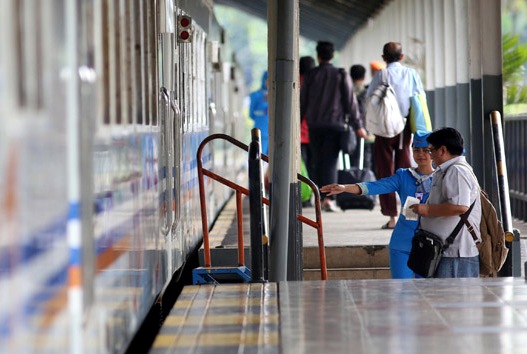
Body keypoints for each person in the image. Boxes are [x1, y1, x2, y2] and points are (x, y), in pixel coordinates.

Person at [320, 131, 434, 279]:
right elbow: (376, 186)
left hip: (430, 245)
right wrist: (345, 188)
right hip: (401, 244)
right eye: (416, 150)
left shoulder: (441, 178)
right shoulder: (404, 175)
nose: (421, 154)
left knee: (428, 293)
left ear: (435, 152)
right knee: (402, 293)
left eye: (426, 150)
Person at [300, 41, 367, 212]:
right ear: (332, 55)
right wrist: (358, 125)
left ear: (318, 55)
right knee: (330, 162)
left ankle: (319, 196)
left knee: (316, 161)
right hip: (335, 125)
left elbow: (302, 102)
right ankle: (328, 199)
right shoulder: (340, 74)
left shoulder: (310, 75)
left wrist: (298, 123)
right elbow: (350, 102)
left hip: (314, 125)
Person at [366, 42, 425, 229]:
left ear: (383, 58)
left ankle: (391, 216)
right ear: (402, 56)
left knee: (385, 170)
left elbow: (369, 99)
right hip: (404, 126)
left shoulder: (381, 74)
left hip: (383, 127)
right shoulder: (411, 74)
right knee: (406, 169)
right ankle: (409, 213)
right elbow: (420, 99)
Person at [409, 127, 481, 278]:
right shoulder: (446, 170)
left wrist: (427, 210)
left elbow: (460, 206)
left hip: (456, 253)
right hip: (446, 250)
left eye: (431, 150)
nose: (430, 155)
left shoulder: (457, 171)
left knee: (453, 299)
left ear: (442, 150)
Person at [349, 64, 373, 170]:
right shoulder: (368, 92)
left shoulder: (347, 91)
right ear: (364, 77)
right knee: (366, 161)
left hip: (349, 133)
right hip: (366, 132)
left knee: (350, 161)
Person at [300, 56, 316, 181]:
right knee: (314, 165)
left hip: (299, 132)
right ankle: (315, 193)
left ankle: (304, 193)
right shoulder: (317, 82)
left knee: (302, 165)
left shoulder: (294, 82)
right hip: (315, 130)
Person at [249, 71, 269, 154]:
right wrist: (263, 113)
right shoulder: (256, 95)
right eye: (268, 79)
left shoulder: (277, 95)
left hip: (274, 131)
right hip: (261, 130)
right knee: (261, 155)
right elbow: (251, 114)